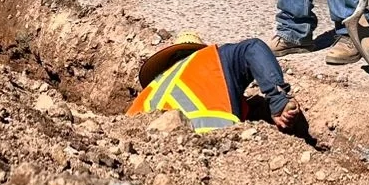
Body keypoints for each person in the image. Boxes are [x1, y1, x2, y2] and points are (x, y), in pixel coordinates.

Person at [127, 33, 306, 135]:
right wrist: (278, 99)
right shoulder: (209, 60)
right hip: (219, 144)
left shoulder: (146, 97)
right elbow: (253, 48)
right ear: (198, 53)